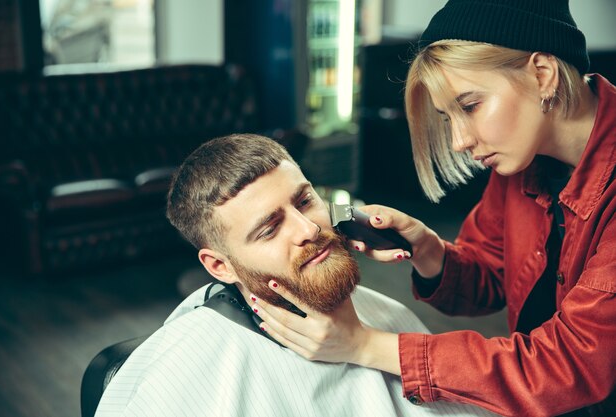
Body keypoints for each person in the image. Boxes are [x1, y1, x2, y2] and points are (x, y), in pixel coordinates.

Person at [251, 1, 616, 416]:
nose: (460, 141)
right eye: (448, 118)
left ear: (542, 74)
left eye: (471, 105)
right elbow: (493, 278)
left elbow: (571, 366)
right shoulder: (523, 160)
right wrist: (429, 251)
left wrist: (363, 344)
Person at [94, 133, 496, 417]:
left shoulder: (383, 315)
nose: (308, 229)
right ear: (220, 266)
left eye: (305, 200)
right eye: (269, 229)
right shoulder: (184, 373)